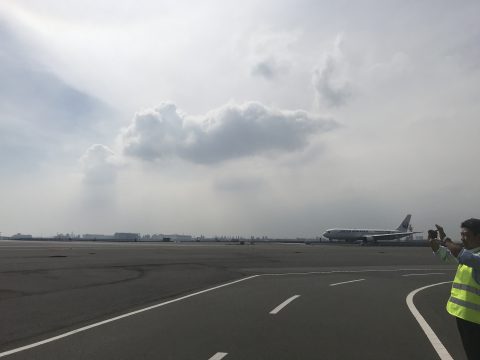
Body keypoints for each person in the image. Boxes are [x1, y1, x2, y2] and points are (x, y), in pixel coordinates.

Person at [428, 218, 480, 360]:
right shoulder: (470, 254)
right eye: (461, 234)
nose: (462, 239)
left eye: (466, 235)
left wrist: (445, 238)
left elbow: (462, 255)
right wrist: (435, 245)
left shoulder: (473, 257)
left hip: (476, 321)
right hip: (465, 317)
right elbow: (448, 256)